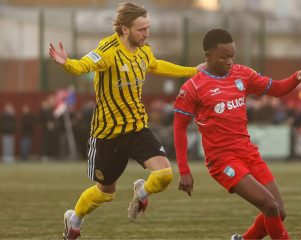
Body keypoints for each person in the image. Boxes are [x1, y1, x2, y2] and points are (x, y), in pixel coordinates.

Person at [49, 2, 204, 239]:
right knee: (105, 193)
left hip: (137, 127)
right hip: (107, 134)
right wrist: (67, 63)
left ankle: (142, 192)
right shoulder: (107, 49)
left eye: (148, 28)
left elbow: (156, 65)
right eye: (141, 29)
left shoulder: (144, 50)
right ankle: (74, 219)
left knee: (164, 176)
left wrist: (192, 71)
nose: (146, 33)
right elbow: (84, 65)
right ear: (124, 29)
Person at [173, 29, 301, 240]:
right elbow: (179, 127)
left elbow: (276, 88)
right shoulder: (193, 87)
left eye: (232, 55)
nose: (230, 61)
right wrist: (184, 170)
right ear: (208, 56)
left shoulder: (242, 73)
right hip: (222, 160)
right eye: (224, 56)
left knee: (279, 212)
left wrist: (297, 77)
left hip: (247, 152)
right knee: (269, 206)